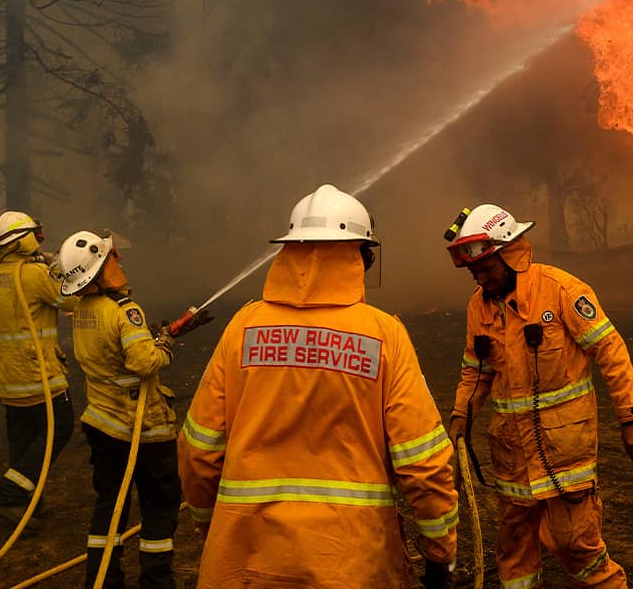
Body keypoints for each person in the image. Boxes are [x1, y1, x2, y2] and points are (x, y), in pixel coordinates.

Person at [179, 184, 458, 589]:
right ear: (359, 256)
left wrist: (213, 526)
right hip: (351, 563)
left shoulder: (243, 328)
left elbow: (198, 450)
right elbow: (424, 463)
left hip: (245, 560)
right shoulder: (383, 335)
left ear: (289, 252)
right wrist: (440, 554)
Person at [444, 203, 633, 589]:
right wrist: (459, 421)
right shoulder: (479, 306)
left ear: (510, 254)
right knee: (515, 550)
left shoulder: (562, 291)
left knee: (578, 547)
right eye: (474, 272)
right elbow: (476, 371)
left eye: (486, 269)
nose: (481, 279)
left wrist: (631, 417)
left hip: (563, 452)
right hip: (511, 456)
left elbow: (610, 350)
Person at [58, 230, 180, 589]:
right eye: (113, 257)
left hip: (102, 425)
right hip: (143, 430)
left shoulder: (82, 310)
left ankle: (102, 580)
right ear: (99, 268)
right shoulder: (125, 311)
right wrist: (165, 348)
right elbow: (143, 362)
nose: (120, 261)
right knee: (158, 511)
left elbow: (114, 353)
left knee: (109, 510)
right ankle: (156, 583)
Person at [0, 211, 78, 528]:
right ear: (25, 239)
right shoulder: (35, 274)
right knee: (59, 428)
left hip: (10, 380)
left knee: (23, 440)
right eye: (36, 236)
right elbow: (71, 301)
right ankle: (8, 495)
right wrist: (56, 268)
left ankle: (27, 503)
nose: (40, 241)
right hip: (39, 377)